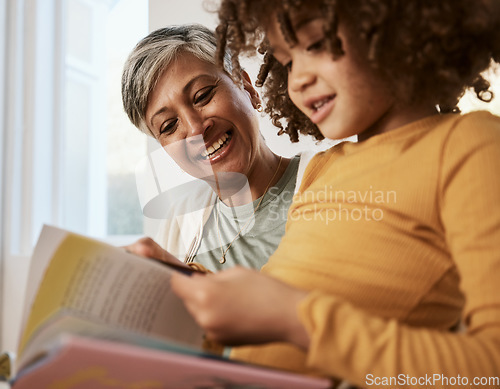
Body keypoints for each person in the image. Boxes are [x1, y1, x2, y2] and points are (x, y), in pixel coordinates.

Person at [170, 1, 500, 387]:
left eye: (315, 44)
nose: (298, 81)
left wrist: (294, 318)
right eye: (287, 62)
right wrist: (175, 284)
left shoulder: (469, 146)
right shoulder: (324, 168)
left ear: (394, 25)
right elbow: (266, 332)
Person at [121, 24, 315, 272]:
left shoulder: (331, 185)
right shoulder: (178, 225)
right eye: (169, 126)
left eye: (202, 96)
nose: (195, 130)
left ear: (247, 87)